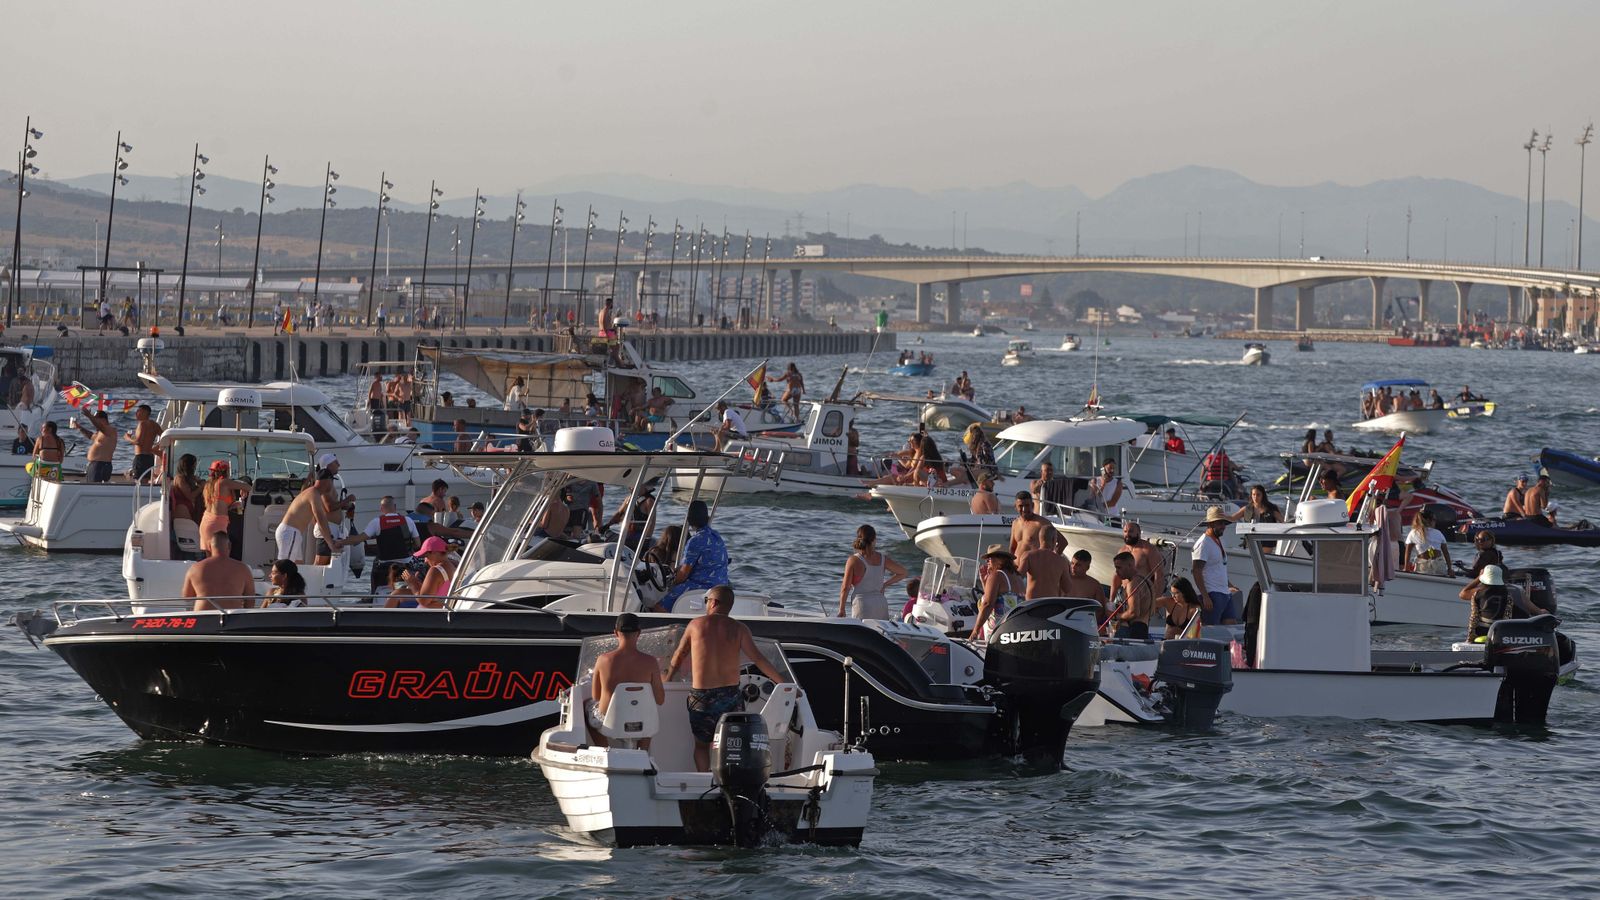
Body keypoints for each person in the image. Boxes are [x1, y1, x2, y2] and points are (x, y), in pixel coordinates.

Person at [665, 585, 785, 771]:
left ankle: (705, 780)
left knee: (701, 746)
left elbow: (679, 656)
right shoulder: (739, 629)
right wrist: (784, 684)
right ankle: (729, 780)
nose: (706, 604)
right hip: (730, 698)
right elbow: (759, 659)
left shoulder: (696, 625)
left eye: (707, 601)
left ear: (713, 602)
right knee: (731, 744)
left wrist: (668, 678)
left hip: (701, 698)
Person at [588, 613, 667, 748]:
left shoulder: (603, 660)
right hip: (642, 723)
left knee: (587, 707)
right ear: (639, 633)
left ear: (615, 633)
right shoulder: (651, 662)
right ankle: (642, 753)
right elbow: (660, 699)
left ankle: (604, 750)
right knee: (648, 719)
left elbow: (596, 696)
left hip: (611, 721)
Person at [657, 500, 729, 612]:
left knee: (658, 606)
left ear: (689, 520)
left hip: (700, 587)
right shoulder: (716, 536)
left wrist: (670, 584)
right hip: (720, 586)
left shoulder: (695, 541)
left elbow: (683, 575)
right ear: (707, 518)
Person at [836, 524, 908, 619]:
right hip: (881, 604)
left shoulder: (853, 560)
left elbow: (845, 587)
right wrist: (885, 585)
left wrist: (842, 609)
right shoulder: (882, 559)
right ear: (874, 540)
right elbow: (903, 573)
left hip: (862, 605)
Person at [1460, 565, 1545, 641]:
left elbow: (1462, 594)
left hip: (1481, 632)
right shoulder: (1511, 592)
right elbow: (1530, 610)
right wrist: (1541, 613)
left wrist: (1479, 578)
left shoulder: (1478, 592)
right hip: (1500, 632)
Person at [359, 495, 421, 591]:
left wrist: (341, 542)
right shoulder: (407, 520)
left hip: (384, 564)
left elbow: (360, 538)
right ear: (395, 507)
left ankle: (373, 594)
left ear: (381, 508)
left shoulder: (377, 522)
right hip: (406, 563)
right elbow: (418, 544)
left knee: (376, 563)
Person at [184, 531, 256, 611]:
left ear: (209, 546)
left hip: (203, 615)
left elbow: (187, 597)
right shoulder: (243, 569)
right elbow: (250, 600)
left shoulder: (195, 568)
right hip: (233, 616)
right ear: (229, 546)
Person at [1191, 506, 1238, 625]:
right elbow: (1196, 571)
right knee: (1211, 629)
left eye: (1224, 523)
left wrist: (1230, 585)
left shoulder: (1218, 540)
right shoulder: (1203, 543)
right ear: (1211, 524)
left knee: (1231, 626)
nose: (1223, 526)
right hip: (1211, 594)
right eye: (1220, 523)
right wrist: (1205, 596)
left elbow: (1219, 568)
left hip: (1225, 593)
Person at [969, 545, 1025, 642]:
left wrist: (975, 631)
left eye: (990, 558)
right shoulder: (1018, 577)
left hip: (999, 635)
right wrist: (984, 582)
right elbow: (999, 598)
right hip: (1015, 633)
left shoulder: (997, 575)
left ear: (1000, 559)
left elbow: (987, 604)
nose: (987, 561)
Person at [200, 460, 251, 555]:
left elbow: (217, 507)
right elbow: (248, 487)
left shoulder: (208, 485)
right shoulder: (224, 482)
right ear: (226, 471)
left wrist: (232, 505)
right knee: (222, 556)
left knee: (211, 558)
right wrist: (242, 488)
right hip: (218, 524)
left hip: (206, 522)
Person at [1115, 521, 1166, 602]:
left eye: (1131, 531)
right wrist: (1111, 600)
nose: (1127, 534)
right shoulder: (1122, 551)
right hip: (1123, 596)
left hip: (1142, 597)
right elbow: (1116, 577)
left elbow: (1159, 575)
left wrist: (1155, 600)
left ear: (1138, 533)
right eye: (1125, 531)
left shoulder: (1148, 549)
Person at [1109, 551, 1154, 639]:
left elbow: (1133, 613)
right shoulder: (1148, 581)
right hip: (1144, 628)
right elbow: (1152, 610)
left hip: (1133, 630)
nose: (1116, 571)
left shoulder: (1132, 584)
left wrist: (1115, 616)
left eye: (1119, 567)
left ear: (1130, 565)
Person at [1009, 491, 1061, 556]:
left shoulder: (1042, 523)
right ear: (1015, 507)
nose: (1024, 509)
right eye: (1020, 506)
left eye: (1027, 505)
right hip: (1016, 562)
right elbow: (1012, 548)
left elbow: (1062, 542)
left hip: (1034, 562)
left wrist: (1052, 558)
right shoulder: (1015, 523)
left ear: (1032, 505)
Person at [1403, 510, 1452, 576]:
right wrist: (1450, 569)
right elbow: (1446, 553)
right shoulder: (1438, 533)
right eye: (1434, 520)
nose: (1435, 522)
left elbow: (1408, 552)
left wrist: (1406, 567)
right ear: (1428, 520)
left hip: (1422, 565)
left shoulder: (1413, 532)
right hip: (1438, 564)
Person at [1063, 550, 1109, 621]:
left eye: (1078, 565)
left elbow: (1100, 611)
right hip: (1060, 620)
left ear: (1087, 567)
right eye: (1072, 563)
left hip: (1084, 622)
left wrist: (1089, 623)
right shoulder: (1062, 579)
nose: (1073, 567)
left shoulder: (1095, 585)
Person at [74, 411, 118, 483]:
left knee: (94, 487)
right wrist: (79, 427)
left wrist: (89, 415)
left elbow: (98, 425)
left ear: (103, 420)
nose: (95, 423)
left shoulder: (110, 430)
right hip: (96, 465)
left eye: (96, 419)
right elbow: (91, 435)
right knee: (91, 486)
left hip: (101, 465)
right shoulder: (101, 432)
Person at [412, 535, 456, 607]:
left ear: (434, 552)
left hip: (433, 613)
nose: (425, 561)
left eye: (426, 556)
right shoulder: (452, 565)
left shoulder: (435, 570)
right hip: (444, 611)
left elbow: (423, 601)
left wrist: (412, 583)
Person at [125, 404, 162, 483]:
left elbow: (139, 442)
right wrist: (155, 448)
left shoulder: (141, 424)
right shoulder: (155, 425)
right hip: (150, 457)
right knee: (146, 481)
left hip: (141, 457)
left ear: (145, 412)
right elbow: (164, 437)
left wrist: (127, 437)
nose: (136, 413)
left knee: (139, 482)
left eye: (139, 411)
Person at [169, 453, 204, 526]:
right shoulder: (180, 479)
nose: (195, 468)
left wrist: (200, 482)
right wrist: (201, 488)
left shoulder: (189, 478)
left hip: (189, 509)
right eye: (194, 465)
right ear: (188, 466)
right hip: (183, 510)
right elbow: (190, 496)